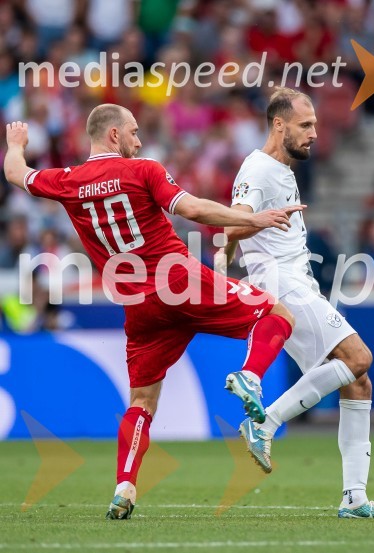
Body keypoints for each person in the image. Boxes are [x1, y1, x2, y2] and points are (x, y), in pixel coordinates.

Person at [3, 105, 302, 520]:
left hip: (139, 306)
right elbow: (194, 210)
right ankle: (249, 376)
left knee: (142, 400)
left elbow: (16, 173)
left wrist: (15, 144)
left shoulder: (68, 181)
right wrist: (254, 218)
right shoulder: (142, 170)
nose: (139, 141)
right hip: (180, 281)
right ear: (113, 136)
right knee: (277, 313)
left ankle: (124, 485)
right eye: (134, 132)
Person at [217, 87, 374, 519]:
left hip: (296, 284)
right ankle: (267, 421)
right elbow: (235, 221)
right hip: (285, 287)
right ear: (278, 125)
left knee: (359, 382)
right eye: (305, 125)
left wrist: (225, 263)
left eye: (315, 124)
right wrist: (242, 235)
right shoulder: (259, 168)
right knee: (359, 357)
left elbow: (231, 235)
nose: (314, 133)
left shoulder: (281, 167)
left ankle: (355, 498)